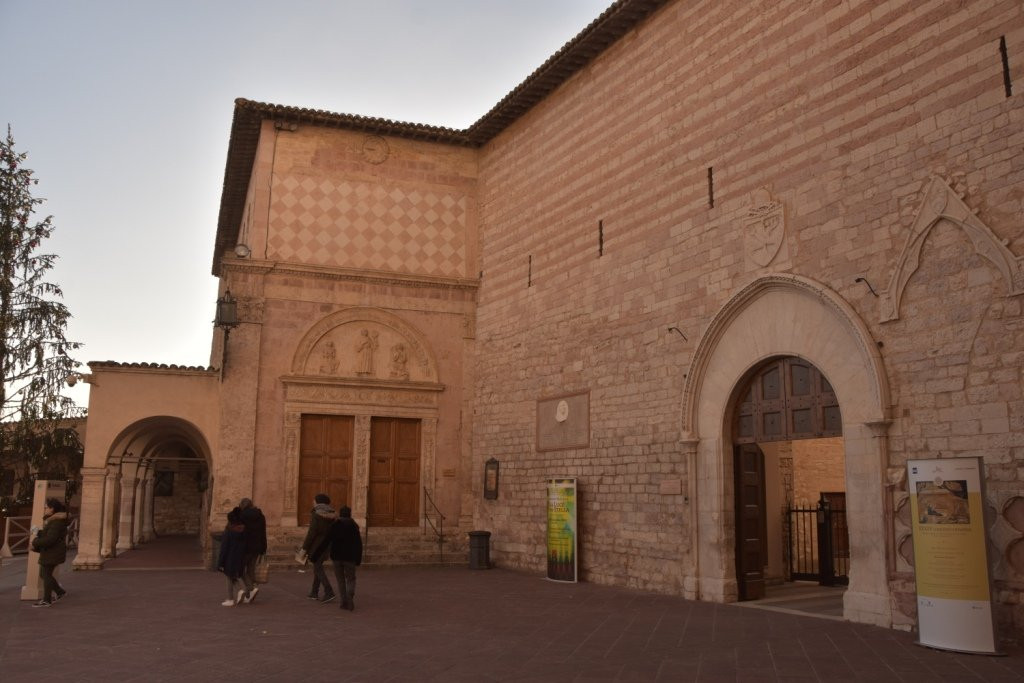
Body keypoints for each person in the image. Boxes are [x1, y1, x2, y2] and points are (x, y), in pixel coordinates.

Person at [30, 497, 69, 607]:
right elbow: (50, 535)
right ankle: (60, 592)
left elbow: (51, 539)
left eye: (46, 507)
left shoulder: (56, 522)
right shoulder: (52, 520)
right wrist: (39, 532)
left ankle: (47, 600)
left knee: (46, 574)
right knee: (44, 574)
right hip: (52, 551)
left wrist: (35, 542)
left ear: (52, 509)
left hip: (53, 551)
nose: (44, 509)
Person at [301, 493, 338, 602]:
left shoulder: (316, 514)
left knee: (317, 567)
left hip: (317, 545)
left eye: (314, 500)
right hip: (328, 544)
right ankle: (314, 592)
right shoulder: (334, 515)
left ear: (318, 502)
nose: (313, 502)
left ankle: (329, 591)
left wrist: (305, 547)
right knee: (318, 566)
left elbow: (312, 532)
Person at [329, 505, 363, 611]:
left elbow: (330, 541)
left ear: (340, 514)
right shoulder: (354, 527)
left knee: (340, 580)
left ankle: (343, 601)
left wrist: (331, 554)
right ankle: (350, 596)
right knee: (351, 579)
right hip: (350, 557)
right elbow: (359, 545)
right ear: (350, 514)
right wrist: (358, 559)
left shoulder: (334, 525)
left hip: (337, 557)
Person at [238, 497, 267, 604]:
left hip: (245, 547)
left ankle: (250, 589)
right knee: (250, 569)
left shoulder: (241, 516)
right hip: (257, 547)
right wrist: (264, 548)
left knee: (239, 569)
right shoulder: (260, 516)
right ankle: (250, 594)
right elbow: (263, 532)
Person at [216, 508, 247, 607]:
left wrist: (220, 562)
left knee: (229, 577)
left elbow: (224, 548)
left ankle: (231, 598)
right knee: (235, 575)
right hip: (240, 556)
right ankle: (242, 593)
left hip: (230, 557)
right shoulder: (243, 530)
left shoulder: (229, 532)